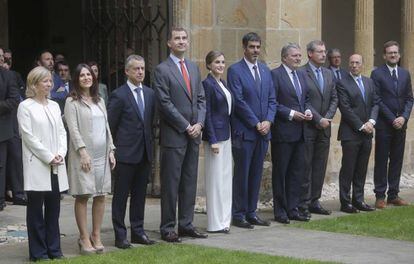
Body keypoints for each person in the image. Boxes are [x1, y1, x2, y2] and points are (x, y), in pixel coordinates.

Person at [154, 27, 207, 242]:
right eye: (177, 38)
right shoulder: (162, 70)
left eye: (184, 38)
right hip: (175, 135)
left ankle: (186, 224)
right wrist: (186, 125)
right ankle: (167, 227)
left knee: (189, 181)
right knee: (171, 184)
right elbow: (164, 103)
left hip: (194, 135)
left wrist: (200, 124)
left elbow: (202, 99)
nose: (182, 41)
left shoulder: (194, 68)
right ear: (169, 43)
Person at [17, 66, 68, 261]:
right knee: (36, 211)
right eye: (45, 81)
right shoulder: (26, 107)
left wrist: (61, 153)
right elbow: (28, 136)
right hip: (38, 164)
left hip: (56, 165)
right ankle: (38, 253)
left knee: (54, 210)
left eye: (50, 81)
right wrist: (48, 156)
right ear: (34, 84)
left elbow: (62, 132)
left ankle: (55, 250)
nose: (49, 84)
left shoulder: (55, 106)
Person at [64, 63, 116, 254]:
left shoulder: (99, 100)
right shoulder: (72, 101)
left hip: (102, 154)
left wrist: (111, 149)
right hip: (83, 155)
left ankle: (96, 235)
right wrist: (83, 151)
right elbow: (73, 129)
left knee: (101, 194)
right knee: (84, 195)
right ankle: (84, 237)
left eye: (89, 74)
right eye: (82, 75)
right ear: (76, 79)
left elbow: (106, 127)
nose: (86, 77)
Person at [227, 32, 276, 229]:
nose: (255, 50)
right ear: (244, 48)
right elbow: (238, 101)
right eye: (252, 47)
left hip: (264, 132)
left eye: (258, 47)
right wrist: (256, 123)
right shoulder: (235, 71)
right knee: (242, 174)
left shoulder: (265, 71)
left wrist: (269, 122)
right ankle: (238, 215)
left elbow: (272, 99)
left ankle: (251, 212)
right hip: (245, 132)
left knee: (256, 174)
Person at [108, 55, 156, 249]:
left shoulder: (150, 94)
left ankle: (138, 231)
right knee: (120, 197)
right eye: (136, 69)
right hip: (125, 155)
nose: (140, 72)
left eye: (143, 68)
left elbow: (149, 123)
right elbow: (111, 126)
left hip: (144, 153)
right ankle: (120, 235)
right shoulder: (119, 95)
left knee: (139, 195)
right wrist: (113, 151)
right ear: (127, 71)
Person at [271, 43, 312, 224]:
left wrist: (308, 111)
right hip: (283, 132)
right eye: (294, 56)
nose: (298, 58)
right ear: (284, 57)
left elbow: (307, 99)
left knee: (296, 172)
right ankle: (280, 211)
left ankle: (293, 208)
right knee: (281, 173)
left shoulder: (302, 75)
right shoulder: (275, 75)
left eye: (299, 55)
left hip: (301, 132)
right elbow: (272, 102)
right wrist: (291, 114)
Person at [371, 41, 414, 209]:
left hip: (401, 125)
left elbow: (410, 98)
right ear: (384, 56)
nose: (393, 55)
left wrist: (403, 118)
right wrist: (392, 119)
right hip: (384, 125)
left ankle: (393, 195)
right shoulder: (377, 74)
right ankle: (380, 196)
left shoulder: (405, 74)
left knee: (396, 160)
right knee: (381, 160)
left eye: (396, 52)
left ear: (399, 55)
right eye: (390, 53)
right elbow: (377, 100)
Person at [299, 40, 337, 216]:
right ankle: (303, 203)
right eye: (320, 52)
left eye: (324, 51)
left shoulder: (329, 74)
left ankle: (315, 200)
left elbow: (334, 98)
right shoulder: (301, 73)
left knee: (320, 166)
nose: (324, 54)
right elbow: (303, 100)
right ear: (310, 54)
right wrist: (318, 119)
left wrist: (327, 118)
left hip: (325, 127)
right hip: (308, 127)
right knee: (306, 166)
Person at [337, 54, 378, 213]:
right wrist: (361, 125)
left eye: (357, 63)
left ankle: (359, 200)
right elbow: (345, 108)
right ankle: (345, 202)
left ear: (362, 64)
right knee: (348, 168)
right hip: (351, 133)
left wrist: (372, 122)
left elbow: (376, 103)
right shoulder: (342, 83)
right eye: (352, 63)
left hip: (367, 133)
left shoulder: (369, 82)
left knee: (361, 168)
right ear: (349, 64)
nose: (354, 65)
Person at [202, 51, 233, 233]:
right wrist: (212, 139)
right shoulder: (207, 84)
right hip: (215, 139)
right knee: (215, 181)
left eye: (222, 62)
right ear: (209, 65)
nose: (220, 65)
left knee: (225, 179)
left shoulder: (223, 83)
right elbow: (207, 114)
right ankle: (215, 223)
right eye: (216, 62)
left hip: (226, 135)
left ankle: (225, 220)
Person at [2, 47, 27, 206]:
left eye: (7, 58)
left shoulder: (13, 76)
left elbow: (17, 98)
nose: (5, 61)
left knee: (16, 157)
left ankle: (18, 193)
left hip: (10, 122)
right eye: (4, 58)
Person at [0, 48, 19, 211]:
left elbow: (13, 100)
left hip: (2, 129)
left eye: (1, 57)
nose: (1, 60)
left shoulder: (8, 76)